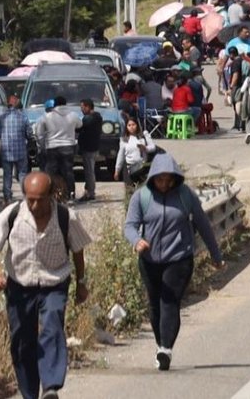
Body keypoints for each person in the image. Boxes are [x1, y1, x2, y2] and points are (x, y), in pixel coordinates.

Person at [0, 171, 91, 399]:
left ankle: (50, 386)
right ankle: (29, 392)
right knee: (22, 339)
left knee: (52, 323)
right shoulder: (12, 214)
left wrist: (81, 282)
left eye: (40, 199)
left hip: (54, 282)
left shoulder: (65, 217)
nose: (34, 204)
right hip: (20, 285)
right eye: (29, 198)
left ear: (51, 195)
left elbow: (78, 251)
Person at [123, 154, 223, 371]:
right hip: (149, 259)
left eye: (169, 180)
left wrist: (216, 255)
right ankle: (161, 345)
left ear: (176, 178)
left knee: (169, 300)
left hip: (179, 257)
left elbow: (203, 225)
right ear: (153, 178)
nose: (165, 184)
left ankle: (166, 349)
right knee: (154, 303)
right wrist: (137, 240)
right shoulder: (142, 197)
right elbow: (129, 225)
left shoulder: (186, 196)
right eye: (160, 180)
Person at [0, 93, 30, 204]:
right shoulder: (23, 117)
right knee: (22, 173)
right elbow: (29, 133)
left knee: (7, 175)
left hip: (6, 151)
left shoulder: (2, 118)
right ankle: (25, 196)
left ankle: (8, 198)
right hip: (21, 151)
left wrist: (3, 136)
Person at [114, 117, 157, 190]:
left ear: (137, 125)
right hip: (129, 170)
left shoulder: (144, 135)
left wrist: (145, 148)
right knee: (130, 190)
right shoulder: (124, 139)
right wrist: (117, 171)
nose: (131, 127)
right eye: (129, 125)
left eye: (133, 124)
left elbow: (153, 147)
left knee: (143, 189)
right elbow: (120, 156)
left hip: (143, 168)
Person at [76, 100, 104, 201]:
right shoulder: (98, 117)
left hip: (88, 148)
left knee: (89, 171)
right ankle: (88, 190)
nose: (81, 109)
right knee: (90, 170)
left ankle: (90, 193)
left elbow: (79, 128)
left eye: (82, 107)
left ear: (88, 107)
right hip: (93, 147)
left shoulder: (89, 118)